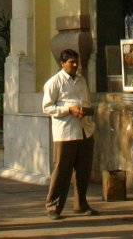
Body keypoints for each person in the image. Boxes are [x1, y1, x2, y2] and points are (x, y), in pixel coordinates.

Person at [42, 48, 98, 219]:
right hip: (65, 133)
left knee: (83, 170)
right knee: (61, 171)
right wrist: (69, 109)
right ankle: (53, 206)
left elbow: (86, 100)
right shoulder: (54, 82)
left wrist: (85, 111)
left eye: (76, 62)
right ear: (62, 64)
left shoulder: (81, 80)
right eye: (71, 62)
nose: (75, 65)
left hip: (84, 130)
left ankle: (81, 203)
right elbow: (47, 107)